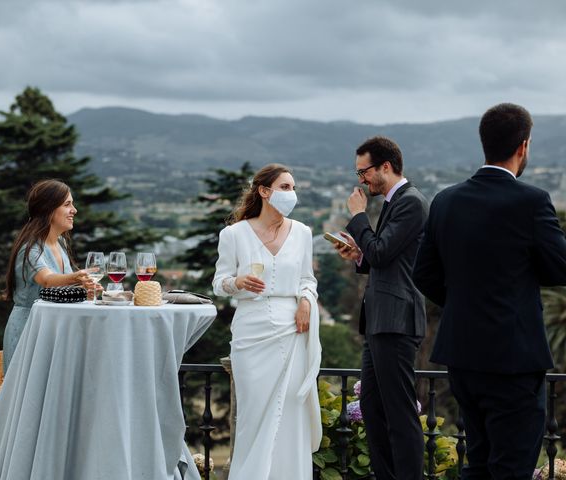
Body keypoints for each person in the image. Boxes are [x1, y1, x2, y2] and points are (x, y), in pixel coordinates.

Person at [413, 103, 566, 479]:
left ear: (485, 143)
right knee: (512, 464)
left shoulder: (446, 200)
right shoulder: (531, 202)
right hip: (513, 356)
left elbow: (424, 272)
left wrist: (467, 302)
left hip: (463, 354)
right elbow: (560, 265)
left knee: (478, 460)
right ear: (523, 146)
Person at [212, 164, 322, 480]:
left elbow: (308, 278)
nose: (292, 194)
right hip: (251, 332)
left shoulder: (302, 232)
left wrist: (305, 300)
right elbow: (219, 282)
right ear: (264, 191)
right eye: (285, 187)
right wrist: (239, 282)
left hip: (293, 331)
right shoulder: (233, 234)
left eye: (293, 187)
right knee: (253, 414)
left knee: (290, 413)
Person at [333, 136, 428, 480]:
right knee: (373, 410)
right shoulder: (392, 202)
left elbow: (382, 252)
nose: (361, 179)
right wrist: (359, 254)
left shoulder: (411, 202)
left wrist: (358, 216)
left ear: (385, 166)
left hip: (397, 321)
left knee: (400, 414)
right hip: (379, 322)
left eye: (364, 171)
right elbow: (381, 256)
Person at [3, 179, 93, 372]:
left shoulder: (61, 244)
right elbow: (46, 280)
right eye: (67, 204)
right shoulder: (30, 247)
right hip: (29, 331)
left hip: (55, 332)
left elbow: (62, 290)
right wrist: (77, 277)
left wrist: (85, 289)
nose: (74, 210)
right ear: (49, 209)